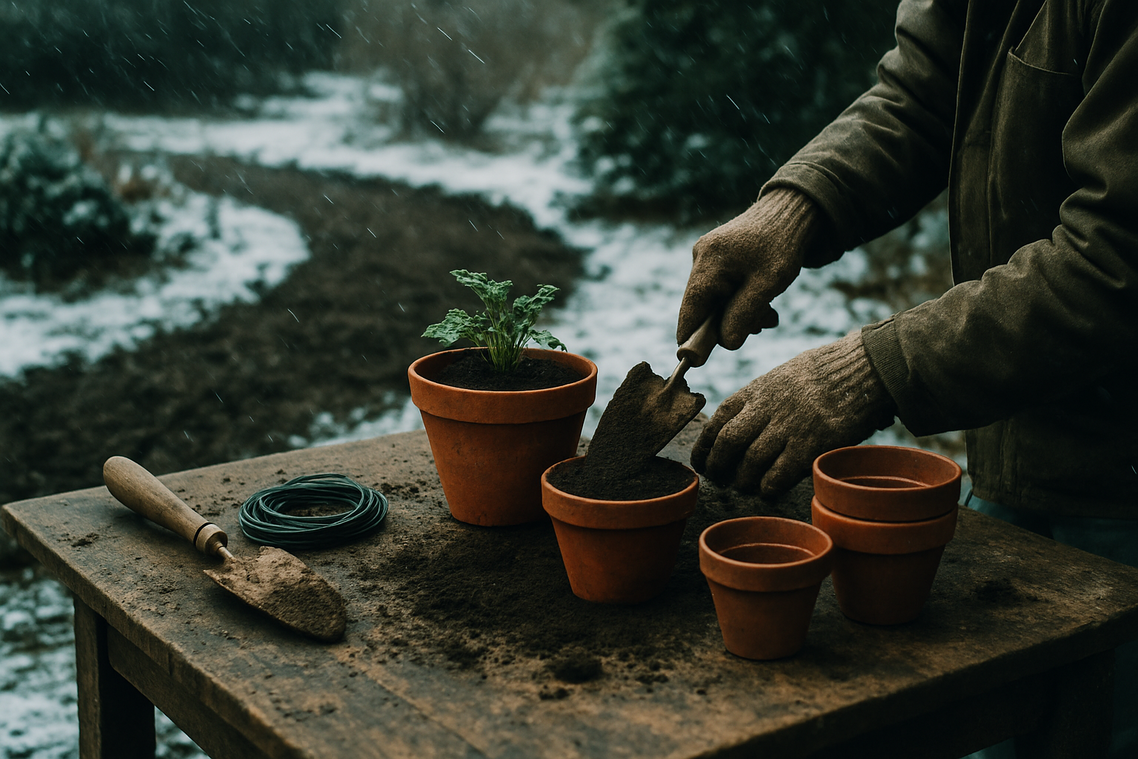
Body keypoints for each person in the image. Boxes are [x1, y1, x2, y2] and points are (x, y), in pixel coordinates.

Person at [677, 1, 1138, 756]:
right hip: (1016, 435)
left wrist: (869, 371)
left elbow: (1120, 258)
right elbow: (927, 88)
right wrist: (794, 208)